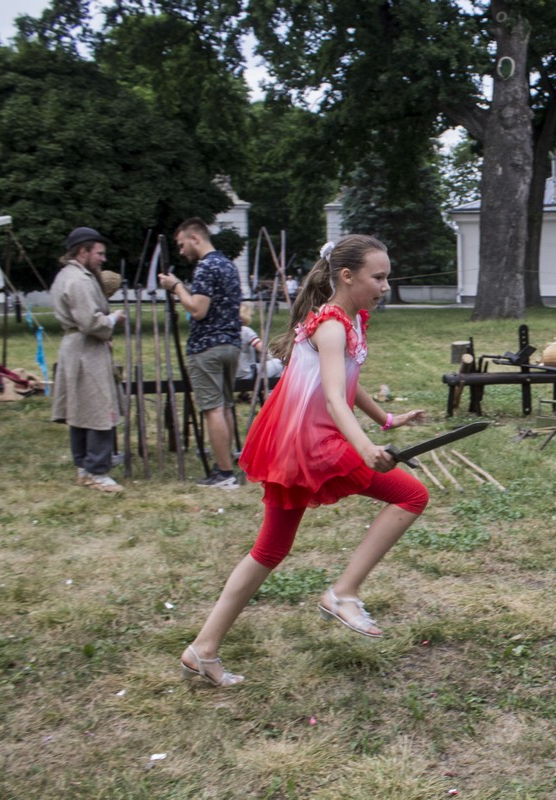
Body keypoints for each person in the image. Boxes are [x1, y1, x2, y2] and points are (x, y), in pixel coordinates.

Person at [179, 235, 428, 687]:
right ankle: (343, 593)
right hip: (310, 444)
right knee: (411, 495)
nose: (386, 285)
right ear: (347, 276)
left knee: (270, 550)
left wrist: (387, 419)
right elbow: (334, 399)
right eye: (379, 277)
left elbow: (348, 381)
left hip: (297, 444)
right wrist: (366, 449)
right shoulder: (331, 325)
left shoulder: (349, 321)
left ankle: (203, 649)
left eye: (387, 276)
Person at [158, 219, 242, 488]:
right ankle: (224, 465)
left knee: (212, 408)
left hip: (207, 347)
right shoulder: (228, 265)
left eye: (182, 245)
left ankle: (225, 474)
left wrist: (177, 287)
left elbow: (197, 309)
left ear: (195, 238)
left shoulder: (206, 266)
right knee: (226, 406)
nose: (181, 251)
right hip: (231, 344)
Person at [50, 227, 126, 493]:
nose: (102, 259)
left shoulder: (67, 275)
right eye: (99, 253)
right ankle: (96, 470)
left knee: (81, 409)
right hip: (86, 350)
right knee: (97, 409)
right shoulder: (79, 280)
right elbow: (90, 321)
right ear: (83, 251)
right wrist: (113, 319)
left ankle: (84, 466)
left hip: (77, 347)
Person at [236, 302, 283, 382]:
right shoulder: (246, 331)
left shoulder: (231, 332)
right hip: (248, 373)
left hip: (234, 374)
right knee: (280, 364)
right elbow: (262, 349)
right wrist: (275, 356)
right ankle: (269, 393)